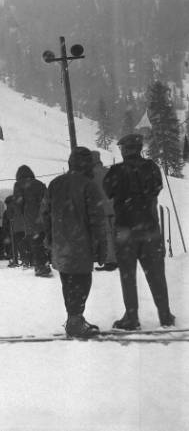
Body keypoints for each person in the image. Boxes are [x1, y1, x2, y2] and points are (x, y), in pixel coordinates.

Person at [103, 133, 175, 330]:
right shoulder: (152, 168)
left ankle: (132, 317)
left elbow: (107, 191)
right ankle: (165, 314)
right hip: (150, 228)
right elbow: (157, 188)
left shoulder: (116, 171)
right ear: (140, 148)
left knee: (128, 275)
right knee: (156, 274)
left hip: (125, 230)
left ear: (125, 150)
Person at [42, 147, 107, 338]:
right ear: (87, 165)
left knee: (68, 283)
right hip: (82, 244)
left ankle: (74, 318)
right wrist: (101, 247)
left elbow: (44, 213)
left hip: (61, 244)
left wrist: (49, 237)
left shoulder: (54, 184)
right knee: (82, 282)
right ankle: (75, 321)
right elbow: (97, 219)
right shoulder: (89, 185)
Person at [13, 165, 52, 277]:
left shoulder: (19, 184)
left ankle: (41, 266)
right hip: (43, 215)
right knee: (42, 240)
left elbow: (18, 202)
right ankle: (44, 264)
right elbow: (47, 199)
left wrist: (22, 213)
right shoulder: (39, 183)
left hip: (30, 215)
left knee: (35, 242)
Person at [91, 151, 117, 271]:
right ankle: (120, 257)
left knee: (107, 236)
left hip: (101, 209)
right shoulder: (109, 171)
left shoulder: (90, 175)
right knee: (116, 233)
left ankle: (110, 261)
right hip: (114, 207)